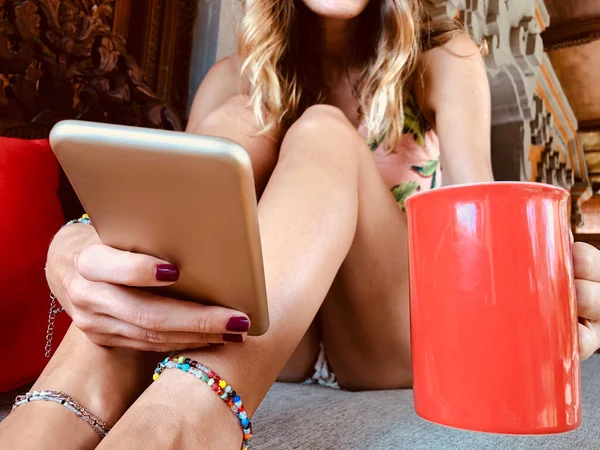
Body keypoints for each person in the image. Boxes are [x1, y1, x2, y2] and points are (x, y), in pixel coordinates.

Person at [1, 0, 599, 448]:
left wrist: (537, 316)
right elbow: (173, 223)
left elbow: (482, 221)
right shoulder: (233, 76)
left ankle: (186, 419)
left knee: (321, 130)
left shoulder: (443, 59)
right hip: (269, 333)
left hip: (384, 340)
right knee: (241, 119)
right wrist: (78, 237)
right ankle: (68, 400)